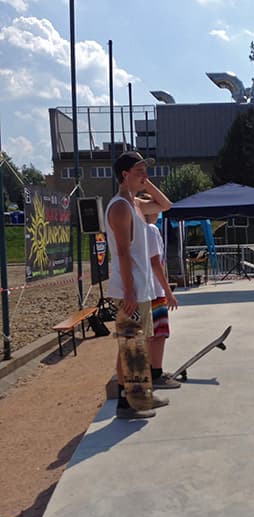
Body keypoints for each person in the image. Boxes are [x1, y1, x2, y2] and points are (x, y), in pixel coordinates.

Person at [105, 151, 173, 419]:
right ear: (124, 174)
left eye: (146, 169)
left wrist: (145, 185)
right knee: (131, 346)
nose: (145, 174)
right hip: (129, 288)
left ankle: (138, 396)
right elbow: (122, 252)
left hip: (140, 287)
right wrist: (130, 292)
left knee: (136, 345)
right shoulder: (121, 206)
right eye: (139, 170)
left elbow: (165, 205)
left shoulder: (135, 203)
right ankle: (128, 403)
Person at [144, 219, 181, 391]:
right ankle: (156, 373)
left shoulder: (135, 229)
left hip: (145, 290)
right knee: (160, 332)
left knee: (149, 333)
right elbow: (156, 263)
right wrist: (168, 291)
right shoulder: (151, 229)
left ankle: (151, 370)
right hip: (155, 290)